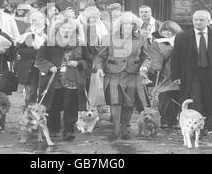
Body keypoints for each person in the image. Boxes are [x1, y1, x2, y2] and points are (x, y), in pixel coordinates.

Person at [170, 10, 212, 135]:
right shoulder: (183, 37)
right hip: (192, 74)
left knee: (211, 100)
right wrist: (176, 75)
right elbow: (176, 58)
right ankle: (196, 127)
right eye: (196, 20)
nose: (198, 22)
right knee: (195, 100)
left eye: (201, 20)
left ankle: (209, 126)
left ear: (208, 21)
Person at [94, 12, 150, 140]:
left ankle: (125, 130)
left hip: (132, 74)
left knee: (129, 103)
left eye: (130, 25)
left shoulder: (140, 38)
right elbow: (100, 56)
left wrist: (145, 66)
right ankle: (115, 131)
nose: (127, 27)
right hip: (114, 73)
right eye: (124, 25)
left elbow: (146, 57)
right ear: (119, 25)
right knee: (115, 102)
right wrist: (99, 69)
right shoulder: (109, 37)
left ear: (134, 26)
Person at [35, 19, 91, 141]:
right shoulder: (49, 43)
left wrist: (78, 63)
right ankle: (53, 128)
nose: (67, 31)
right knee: (53, 104)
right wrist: (50, 66)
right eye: (63, 29)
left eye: (70, 29)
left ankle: (69, 130)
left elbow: (89, 61)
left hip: (73, 79)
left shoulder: (80, 44)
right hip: (54, 79)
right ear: (57, 30)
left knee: (70, 105)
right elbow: (39, 59)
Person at [149, 21, 183, 129]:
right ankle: (164, 119)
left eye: (169, 30)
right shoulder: (158, 42)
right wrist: (156, 67)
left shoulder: (182, 40)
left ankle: (174, 120)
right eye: (164, 30)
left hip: (180, 72)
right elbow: (154, 56)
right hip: (165, 73)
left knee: (177, 95)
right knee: (164, 96)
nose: (166, 32)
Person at [15, 10, 47, 106]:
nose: (35, 22)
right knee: (31, 92)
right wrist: (38, 52)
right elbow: (20, 51)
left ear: (43, 20)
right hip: (30, 68)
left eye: (38, 20)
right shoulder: (27, 34)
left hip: (45, 67)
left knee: (44, 92)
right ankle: (29, 116)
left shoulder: (47, 35)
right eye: (33, 20)